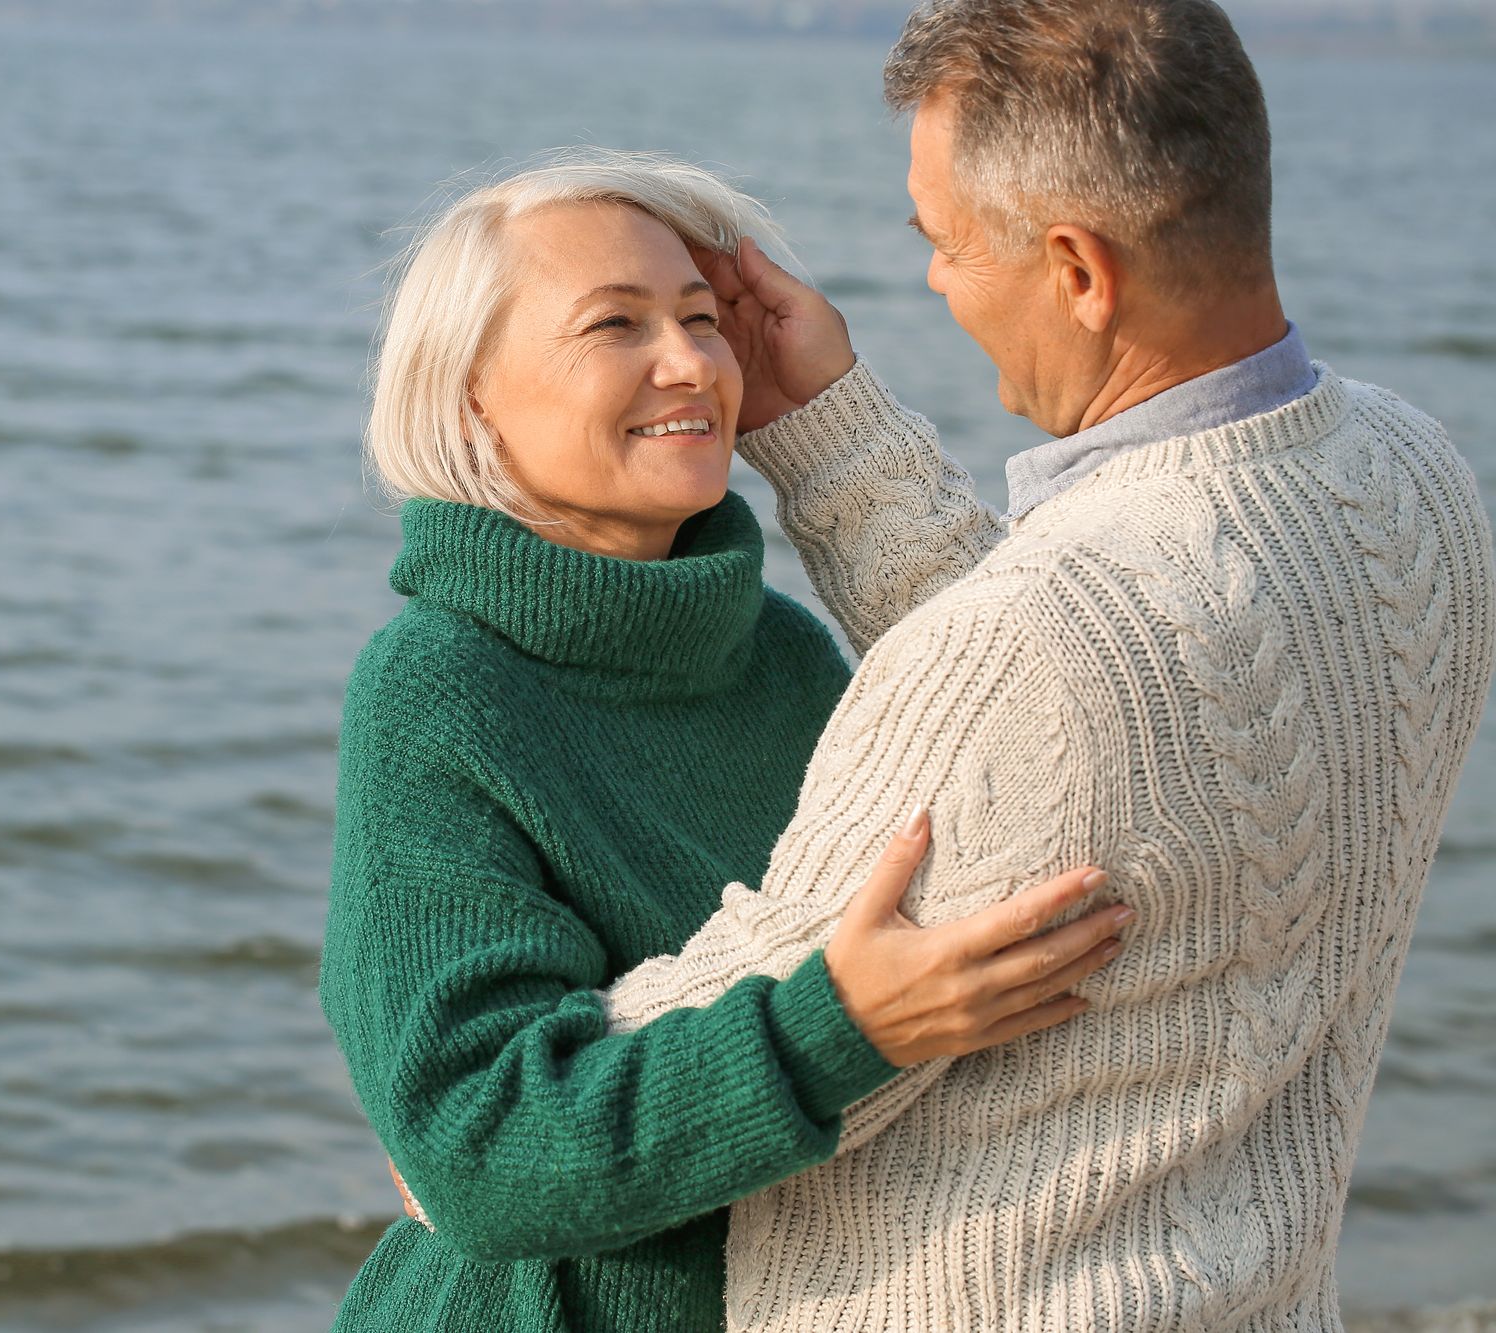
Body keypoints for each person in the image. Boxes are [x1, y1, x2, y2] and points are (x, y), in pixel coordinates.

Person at [600, 2, 1496, 1329]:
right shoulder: (1418, 476)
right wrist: (831, 429)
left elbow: (682, 1078)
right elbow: (1130, 698)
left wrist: (450, 1142)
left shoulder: (1038, 643)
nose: (934, 284)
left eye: (946, 244)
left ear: (1078, 270)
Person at [318, 151, 1133, 1332]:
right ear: (470, 397)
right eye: (616, 324)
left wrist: (825, 413)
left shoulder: (782, 652)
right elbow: (476, 1148)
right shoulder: (438, 688)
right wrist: (836, 1029)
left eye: (703, 320)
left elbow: (1043, 729)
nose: (692, 360)